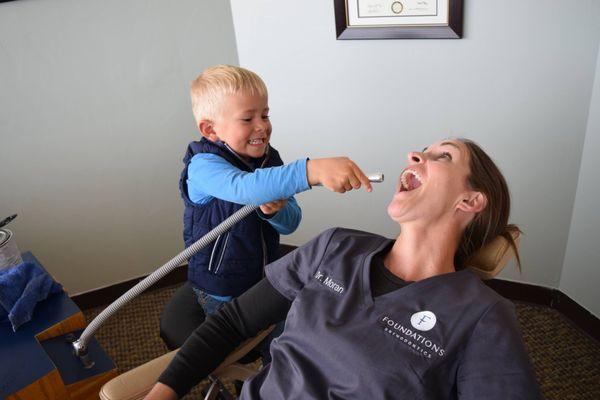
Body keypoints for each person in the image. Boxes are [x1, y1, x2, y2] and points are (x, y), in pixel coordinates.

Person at [148, 138, 542, 399]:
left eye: (444, 156)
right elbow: (231, 324)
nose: (415, 155)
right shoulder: (335, 246)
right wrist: (161, 392)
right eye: (423, 149)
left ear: (470, 201)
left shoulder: (482, 315)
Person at [159, 65, 373, 353]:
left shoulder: (269, 160)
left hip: (262, 275)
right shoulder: (202, 166)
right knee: (239, 344)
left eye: (265, 114)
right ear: (210, 129)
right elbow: (245, 187)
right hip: (220, 287)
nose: (262, 126)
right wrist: (312, 170)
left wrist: (274, 212)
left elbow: (291, 222)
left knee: (284, 338)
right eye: (248, 118)